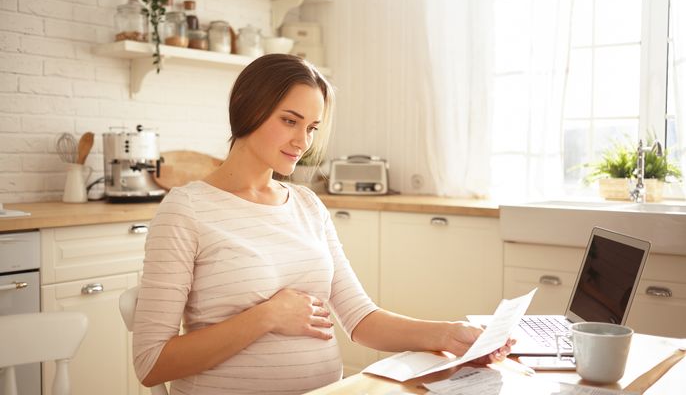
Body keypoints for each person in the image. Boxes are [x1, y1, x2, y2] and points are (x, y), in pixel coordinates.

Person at [132, 54, 514, 395]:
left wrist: (451, 336)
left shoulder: (307, 205)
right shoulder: (186, 210)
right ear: (247, 108)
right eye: (289, 121)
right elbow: (151, 364)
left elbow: (362, 320)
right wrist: (268, 316)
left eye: (312, 127)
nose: (303, 141)